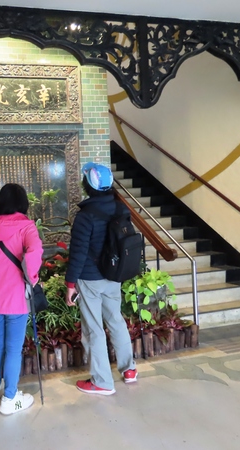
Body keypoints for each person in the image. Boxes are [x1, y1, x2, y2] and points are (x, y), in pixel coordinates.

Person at [65, 162, 137, 395]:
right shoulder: (120, 208)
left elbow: (78, 253)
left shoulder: (85, 216)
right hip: (114, 276)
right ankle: (129, 369)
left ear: (87, 185)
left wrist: (70, 284)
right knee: (115, 320)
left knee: (94, 329)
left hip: (90, 279)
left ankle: (102, 382)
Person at [0, 183, 43, 415]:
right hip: (16, 298)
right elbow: (34, 253)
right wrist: (32, 278)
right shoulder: (27, 227)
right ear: (23, 203)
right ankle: (10, 398)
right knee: (13, 349)